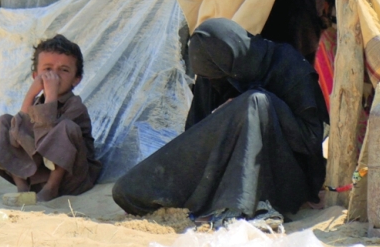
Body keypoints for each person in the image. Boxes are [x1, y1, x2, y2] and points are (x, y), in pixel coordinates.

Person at [112, 18, 328, 225]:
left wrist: (258, 110)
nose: (217, 83)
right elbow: (195, 138)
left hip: (285, 177)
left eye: (219, 77)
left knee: (255, 103)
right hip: (221, 176)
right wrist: (224, 116)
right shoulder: (215, 74)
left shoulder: (290, 67)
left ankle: (240, 206)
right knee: (129, 189)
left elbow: (310, 139)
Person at [0, 34, 101, 202]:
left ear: (76, 80)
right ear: (35, 76)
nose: (53, 76)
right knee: (4, 122)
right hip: (37, 174)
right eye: (47, 69)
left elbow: (49, 131)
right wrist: (31, 93)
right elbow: (16, 136)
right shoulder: (36, 102)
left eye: (63, 70)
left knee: (65, 127)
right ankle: (22, 186)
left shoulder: (76, 106)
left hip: (71, 178)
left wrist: (51, 96)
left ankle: (51, 188)